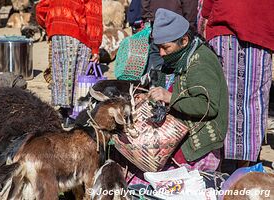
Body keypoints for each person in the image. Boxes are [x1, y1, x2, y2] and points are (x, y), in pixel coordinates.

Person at [114, 8, 228, 185]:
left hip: (197, 144)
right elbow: (166, 87)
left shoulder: (200, 62)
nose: (161, 53)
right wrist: (149, 98)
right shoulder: (177, 58)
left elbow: (208, 106)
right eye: (159, 47)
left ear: (184, 40)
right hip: (178, 132)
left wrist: (170, 97)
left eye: (166, 47)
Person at [201, 0, 274, 171]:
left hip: (225, 31)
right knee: (253, 102)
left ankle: (218, 165)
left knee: (219, 97)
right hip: (260, 32)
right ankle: (243, 166)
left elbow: (206, 9)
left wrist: (205, 17)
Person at [36, 0, 103, 127]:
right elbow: (93, 15)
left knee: (61, 72)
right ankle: (73, 115)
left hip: (57, 30)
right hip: (77, 32)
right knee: (79, 74)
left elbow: (41, 8)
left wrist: (50, 23)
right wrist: (95, 47)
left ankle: (64, 111)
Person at [140, 0, 199, 86]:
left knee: (158, 53)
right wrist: (189, 27)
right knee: (169, 55)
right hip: (176, 25)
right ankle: (166, 88)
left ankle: (159, 87)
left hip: (158, 20)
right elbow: (189, 6)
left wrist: (148, 16)